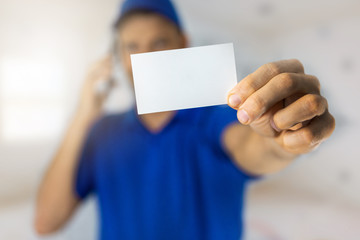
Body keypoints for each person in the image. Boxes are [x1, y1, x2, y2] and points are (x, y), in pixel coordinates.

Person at [34, 0, 335, 239]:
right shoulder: (101, 131)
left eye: (158, 42)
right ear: (118, 56)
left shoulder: (215, 119)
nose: (144, 58)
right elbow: (46, 222)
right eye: (131, 46)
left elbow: (254, 145)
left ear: (183, 44)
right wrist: (85, 111)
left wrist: (281, 139)